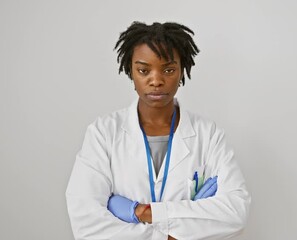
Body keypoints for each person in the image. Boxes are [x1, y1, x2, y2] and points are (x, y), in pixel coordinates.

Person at [66, 21, 250, 240]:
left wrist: (144, 212)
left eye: (168, 70)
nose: (156, 80)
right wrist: (172, 233)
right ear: (130, 71)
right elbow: (86, 224)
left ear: (182, 71)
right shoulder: (103, 133)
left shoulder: (208, 135)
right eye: (144, 70)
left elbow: (236, 212)